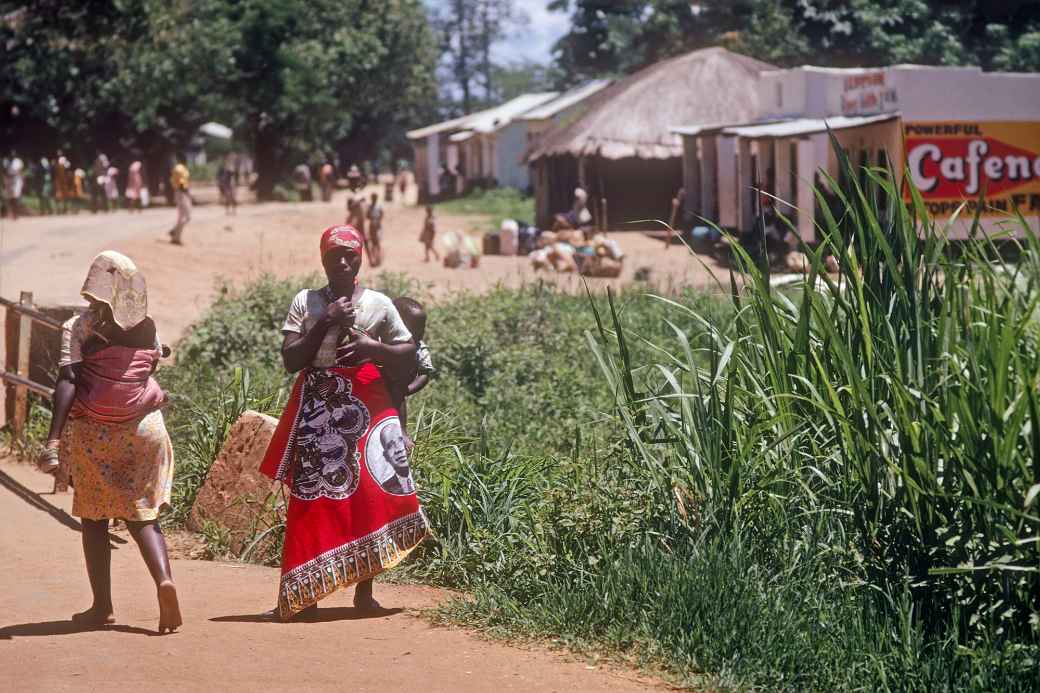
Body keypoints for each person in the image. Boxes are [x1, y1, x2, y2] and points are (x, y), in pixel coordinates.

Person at [258, 225, 427, 621]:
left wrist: (373, 348)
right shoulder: (306, 302)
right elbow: (290, 359)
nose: (343, 262)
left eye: (350, 255)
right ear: (323, 259)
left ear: (361, 258)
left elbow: (408, 352)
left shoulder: (380, 304)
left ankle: (364, 594)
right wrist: (325, 321)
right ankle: (305, 595)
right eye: (335, 255)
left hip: (367, 406)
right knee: (313, 499)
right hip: (319, 406)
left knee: (370, 497)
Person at [36, 251, 181, 634]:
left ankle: (102, 606)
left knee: (95, 518)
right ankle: (164, 580)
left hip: (96, 433)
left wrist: (52, 441)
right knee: (143, 515)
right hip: (145, 429)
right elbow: (150, 366)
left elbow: (67, 381)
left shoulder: (78, 327)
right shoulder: (149, 328)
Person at [388, 297, 434, 440]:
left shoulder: (419, 347)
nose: (419, 333)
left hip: (398, 385)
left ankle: (402, 431)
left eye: (422, 328)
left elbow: (425, 372)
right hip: (375, 382)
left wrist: (407, 389)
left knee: (397, 393)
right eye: (413, 329)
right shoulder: (382, 338)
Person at [169, 158, 191, 245]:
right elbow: (182, 183)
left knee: (181, 216)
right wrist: (187, 193)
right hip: (182, 193)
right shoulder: (180, 168)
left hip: (178, 192)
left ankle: (175, 232)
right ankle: (176, 235)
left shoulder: (177, 168)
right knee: (187, 216)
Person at [4, 153, 24, 220]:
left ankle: (16, 213)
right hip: (9, 180)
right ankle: (10, 213)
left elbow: (20, 171)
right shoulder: (6, 161)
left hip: (17, 180)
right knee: (9, 198)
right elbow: (4, 171)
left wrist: (21, 179)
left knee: (16, 197)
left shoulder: (17, 161)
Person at [367, 192, 384, 267]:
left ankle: (378, 258)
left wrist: (378, 221)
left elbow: (381, 214)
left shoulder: (378, 206)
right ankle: (374, 258)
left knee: (377, 242)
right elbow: (367, 215)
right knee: (373, 242)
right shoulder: (370, 206)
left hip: (377, 224)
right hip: (372, 224)